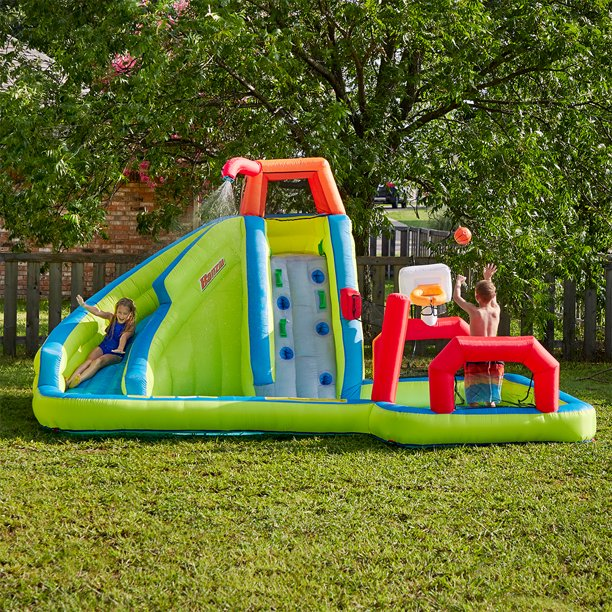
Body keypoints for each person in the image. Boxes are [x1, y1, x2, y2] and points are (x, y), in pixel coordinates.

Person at [453, 264, 503, 407]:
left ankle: (474, 409)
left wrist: (458, 282)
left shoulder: (474, 311)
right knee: (490, 397)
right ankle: (491, 410)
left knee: (473, 394)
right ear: (493, 296)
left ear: (476, 296)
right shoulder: (496, 310)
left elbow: (457, 297)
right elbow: (492, 296)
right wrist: (488, 278)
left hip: (476, 354)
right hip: (493, 355)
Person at [66, 295, 136, 389]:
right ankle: (69, 381)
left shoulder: (130, 326)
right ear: (116, 311)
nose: (121, 316)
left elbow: (124, 337)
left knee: (98, 361)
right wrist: (84, 305)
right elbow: (98, 312)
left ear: (130, 314)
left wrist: (120, 348)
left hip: (116, 353)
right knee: (88, 361)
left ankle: (79, 380)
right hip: (103, 346)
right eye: (119, 312)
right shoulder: (112, 318)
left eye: (125, 314)